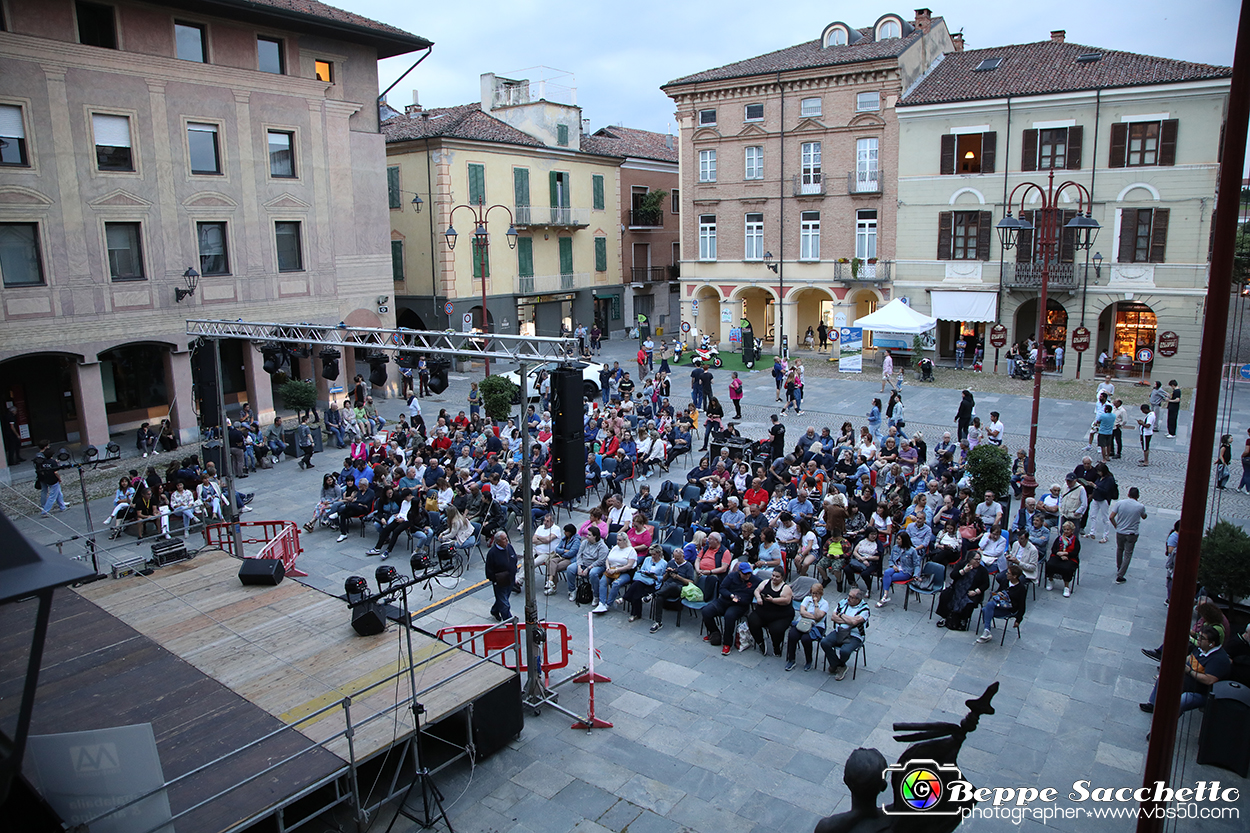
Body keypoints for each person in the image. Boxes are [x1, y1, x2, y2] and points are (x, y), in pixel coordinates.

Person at [1140, 626, 1231, 716]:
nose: (1198, 639)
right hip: (1187, 682)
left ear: (1211, 643)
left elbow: (1210, 680)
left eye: (1202, 638)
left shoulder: (1218, 660)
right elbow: (1189, 658)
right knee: (1165, 676)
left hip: (1200, 692)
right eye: (1199, 636)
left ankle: (1167, 720)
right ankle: (1153, 704)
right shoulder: (1201, 648)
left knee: (1181, 701)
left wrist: (1189, 671)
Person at [701, 561, 758, 655]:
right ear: (739, 572)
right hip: (725, 601)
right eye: (745, 574)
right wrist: (731, 595)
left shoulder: (755, 580)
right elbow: (722, 589)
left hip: (739, 605)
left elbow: (764, 585)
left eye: (749, 573)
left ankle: (727, 643)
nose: (748, 575)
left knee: (729, 617)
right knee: (706, 611)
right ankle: (714, 632)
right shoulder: (731, 576)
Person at [821, 586, 870, 680]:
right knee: (824, 642)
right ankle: (839, 665)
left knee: (845, 651)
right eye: (849, 595)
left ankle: (837, 665)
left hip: (854, 635)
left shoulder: (864, 609)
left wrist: (842, 615)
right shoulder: (843, 602)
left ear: (858, 599)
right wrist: (849, 620)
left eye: (851, 597)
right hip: (840, 631)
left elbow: (854, 622)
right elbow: (833, 617)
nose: (848, 598)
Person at [936, 551, 989, 629]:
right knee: (945, 595)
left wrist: (976, 591)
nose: (978, 561)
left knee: (968, 603)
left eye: (979, 559)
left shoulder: (982, 570)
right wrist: (963, 571)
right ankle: (945, 616)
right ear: (970, 559)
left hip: (971, 591)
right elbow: (953, 575)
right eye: (976, 559)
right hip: (957, 588)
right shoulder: (961, 564)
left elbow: (986, 584)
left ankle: (963, 620)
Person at [747, 568, 794, 656]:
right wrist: (758, 597)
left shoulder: (786, 588)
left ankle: (776, 647)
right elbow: (757, 590)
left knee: (776, 630)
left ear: (782, 578)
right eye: (773, 575)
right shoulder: (765, 582)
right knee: (752, 621)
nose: (774, 578)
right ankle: (760, 642)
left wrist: (773, 600)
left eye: (777, 577)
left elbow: (787, 600)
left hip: (781, 615)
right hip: (763, 612)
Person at [650, 544, 696, 633]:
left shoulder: (688, 566)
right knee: (660, 597)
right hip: (666, 587)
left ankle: (653, 595)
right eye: (675, 558)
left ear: (683, 556)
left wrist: (679, 577)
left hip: (678, 588)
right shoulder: (671, 563)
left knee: (673, 586)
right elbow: (664, 579)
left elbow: (691, 582)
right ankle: (658, 622)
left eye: (678, 558)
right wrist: (667, 573)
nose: (676, 560)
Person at [976, 563, 1027, 643]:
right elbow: (998, 591)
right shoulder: (1005, 581)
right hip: (999, 604)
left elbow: (1022, 604)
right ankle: (987, 630)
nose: (1006, 574)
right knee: (988, 608)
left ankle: (987, 631)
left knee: (987, 608)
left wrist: (1018, 619)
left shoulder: (1021, 588)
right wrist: (999, 593)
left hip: (1009, 609)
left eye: (1009, 573)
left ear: (1014, 576)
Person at [785, 583, 828, 671]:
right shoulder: (807, 599)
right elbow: (802, 612)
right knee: (792, 635)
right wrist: (814, 617)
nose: (814, 595)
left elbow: (819, 616)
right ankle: (791, 659)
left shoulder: (824, 603)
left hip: (816, 626)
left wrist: (816, 604)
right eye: (812, 593)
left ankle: (809, 660)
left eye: (816, 593)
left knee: (806, 639)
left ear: (821, 593)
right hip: (802, 622)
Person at [1109, 486, 1147, 584]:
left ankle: (1119, 567)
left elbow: (1111, 517)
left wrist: (1116, 526)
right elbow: (1143, 516)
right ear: (1138, 496)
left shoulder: (1120, 503)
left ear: (1128, 494)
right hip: (1131, 533)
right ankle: (1121, 575)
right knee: (1128, 554)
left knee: (1120, 549)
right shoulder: (1140, 506)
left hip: (1120, 531)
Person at [876, 531, 920, 607]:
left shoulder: (912, 550)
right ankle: (885, 596)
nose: (897, 541)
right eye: (897, 539)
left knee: (886, 578)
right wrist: (893, 566)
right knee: (886, 573)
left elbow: (917, 565)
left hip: (906, 571)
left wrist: (916, 575)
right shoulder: (895, 547)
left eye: (899, 539)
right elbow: (890, 559)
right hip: (895, 567)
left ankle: (884, 597)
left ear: (904, 540)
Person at [485, 531, 518, 622]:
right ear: (498, 542)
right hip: (500, 582)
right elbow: (489, 570)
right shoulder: (492, 553)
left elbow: (514, 559)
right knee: (504, 603)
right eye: (504, 539)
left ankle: (495, 610)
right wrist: (495, 579)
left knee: (503, 598)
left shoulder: (509, 547)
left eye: (506, 538)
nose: (507, 540)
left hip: (510, 579)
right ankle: (509, 621)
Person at [1044, 521, 1081, 597]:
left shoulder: (1075, 541)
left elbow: (1075, 552)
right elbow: (1054, 549)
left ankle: (1066, 586)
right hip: (1058, 556)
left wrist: (1066, 554)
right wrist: (1059, 554)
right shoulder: (1059, 538)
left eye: (1068, 530)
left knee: (1067, 568)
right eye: (1065, 529)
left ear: (1072, 530)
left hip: (1070, 558)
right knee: (1050, 564)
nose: (1066, 531)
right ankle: (1050, 580)